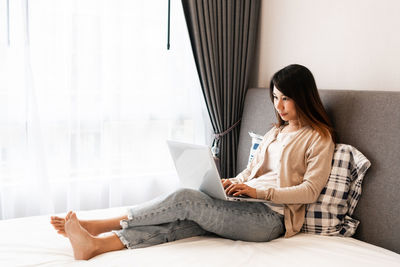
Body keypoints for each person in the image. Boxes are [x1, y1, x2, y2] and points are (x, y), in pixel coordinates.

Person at [50, 64, 335, 260]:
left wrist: (258, 193)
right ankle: (96, 246)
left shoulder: (319, 138)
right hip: (245, 204)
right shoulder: (276, 131)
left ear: (304, 97)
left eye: (286, 98)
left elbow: (310, 191)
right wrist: (234, 183)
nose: (279, 106)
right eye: (274, 97)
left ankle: (97, 225)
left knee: (186, 200)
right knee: (186, 219)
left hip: (270, 219)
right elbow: (252, 171)